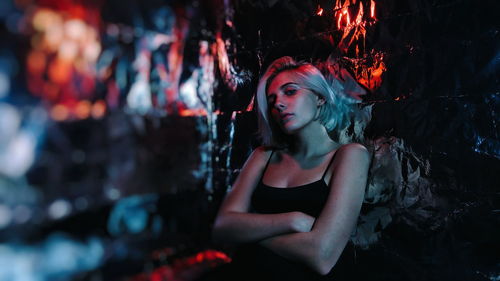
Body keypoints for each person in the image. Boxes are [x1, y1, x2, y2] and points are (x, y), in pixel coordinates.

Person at [208, 56, 371, 281]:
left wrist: (248, 233)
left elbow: (321, 256)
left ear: (320, 97)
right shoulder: (263, 156)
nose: (278, 104)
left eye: (290, 91)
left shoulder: (349, 155)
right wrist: (292, 220)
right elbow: (223, 228)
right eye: (272, 99)